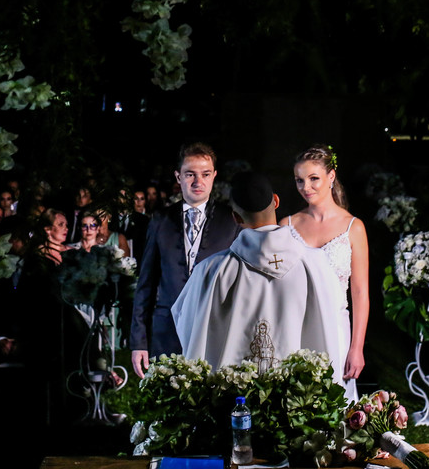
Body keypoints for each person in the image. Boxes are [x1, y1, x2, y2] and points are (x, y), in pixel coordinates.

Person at [171, 172, 346, 386]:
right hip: (300, 396)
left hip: (233, 398)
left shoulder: (211, 271)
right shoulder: (316, 265)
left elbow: (188, 326)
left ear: (235, 217)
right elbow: (334, 324)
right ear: (276, 201)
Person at [130, 142, 240, 378]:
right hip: (166, 333)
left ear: (214, 176)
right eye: (190, 174)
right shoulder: (160, 220)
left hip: (214, 333)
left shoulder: (231, 220)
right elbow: (146, 284)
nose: (198, 182)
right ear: (178, 177)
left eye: (205, 174)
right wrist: (139, 342)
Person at [280, 145, 369, 397]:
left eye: (313, 178)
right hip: (295, 327)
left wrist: (357, 348)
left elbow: (360, 293)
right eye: (299, 180)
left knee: (335, 401)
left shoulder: (353, 227)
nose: (305, 187)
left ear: (331, 177)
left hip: (336, 329)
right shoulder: (286, 225)